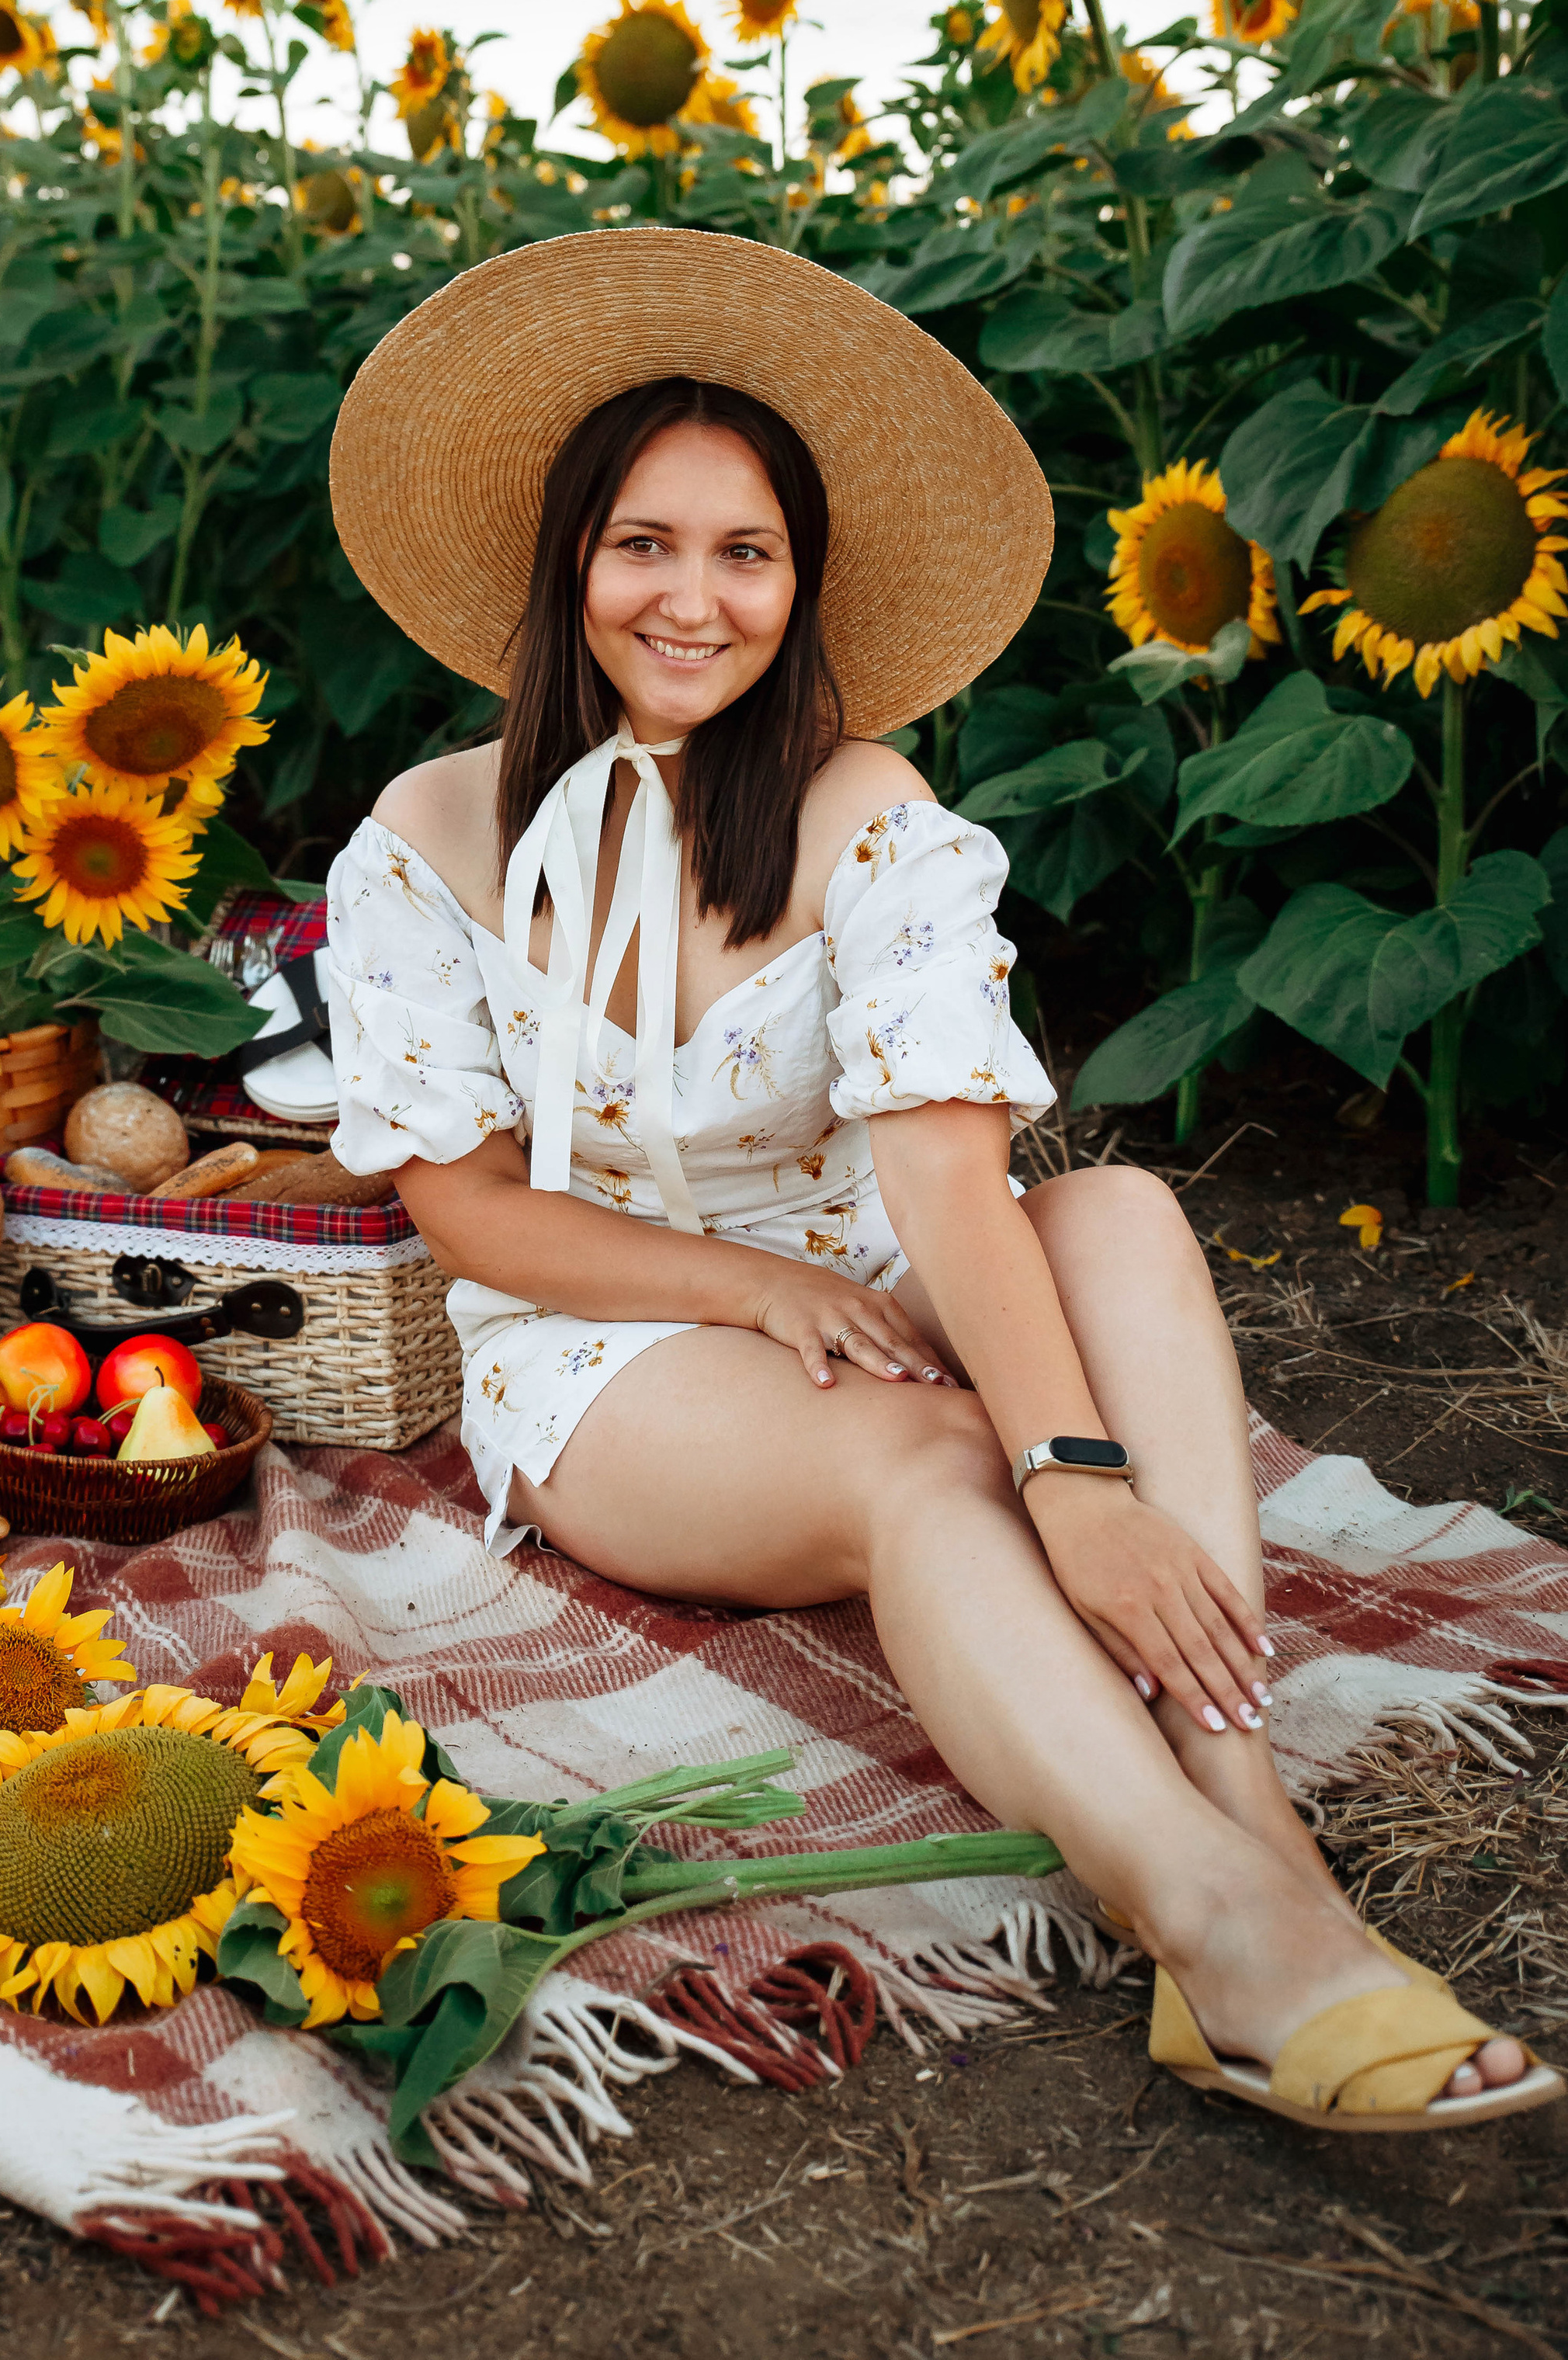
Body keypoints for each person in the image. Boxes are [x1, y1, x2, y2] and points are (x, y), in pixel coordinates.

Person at [321, 226, 1559, 2136]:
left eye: (744, 552)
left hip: (890, 1272)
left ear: (796, 587)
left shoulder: (863, 811)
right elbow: (470, 1211)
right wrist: (758, 1294)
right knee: (921, 1457)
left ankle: (1246, 1823)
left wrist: (1077, 1478)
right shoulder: (423, 836)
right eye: (642, 542)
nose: (691, 597)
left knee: (1125, 1213)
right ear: (567, 562)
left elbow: (950, 1177)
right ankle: (1214, 1923)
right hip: (605, 1352)